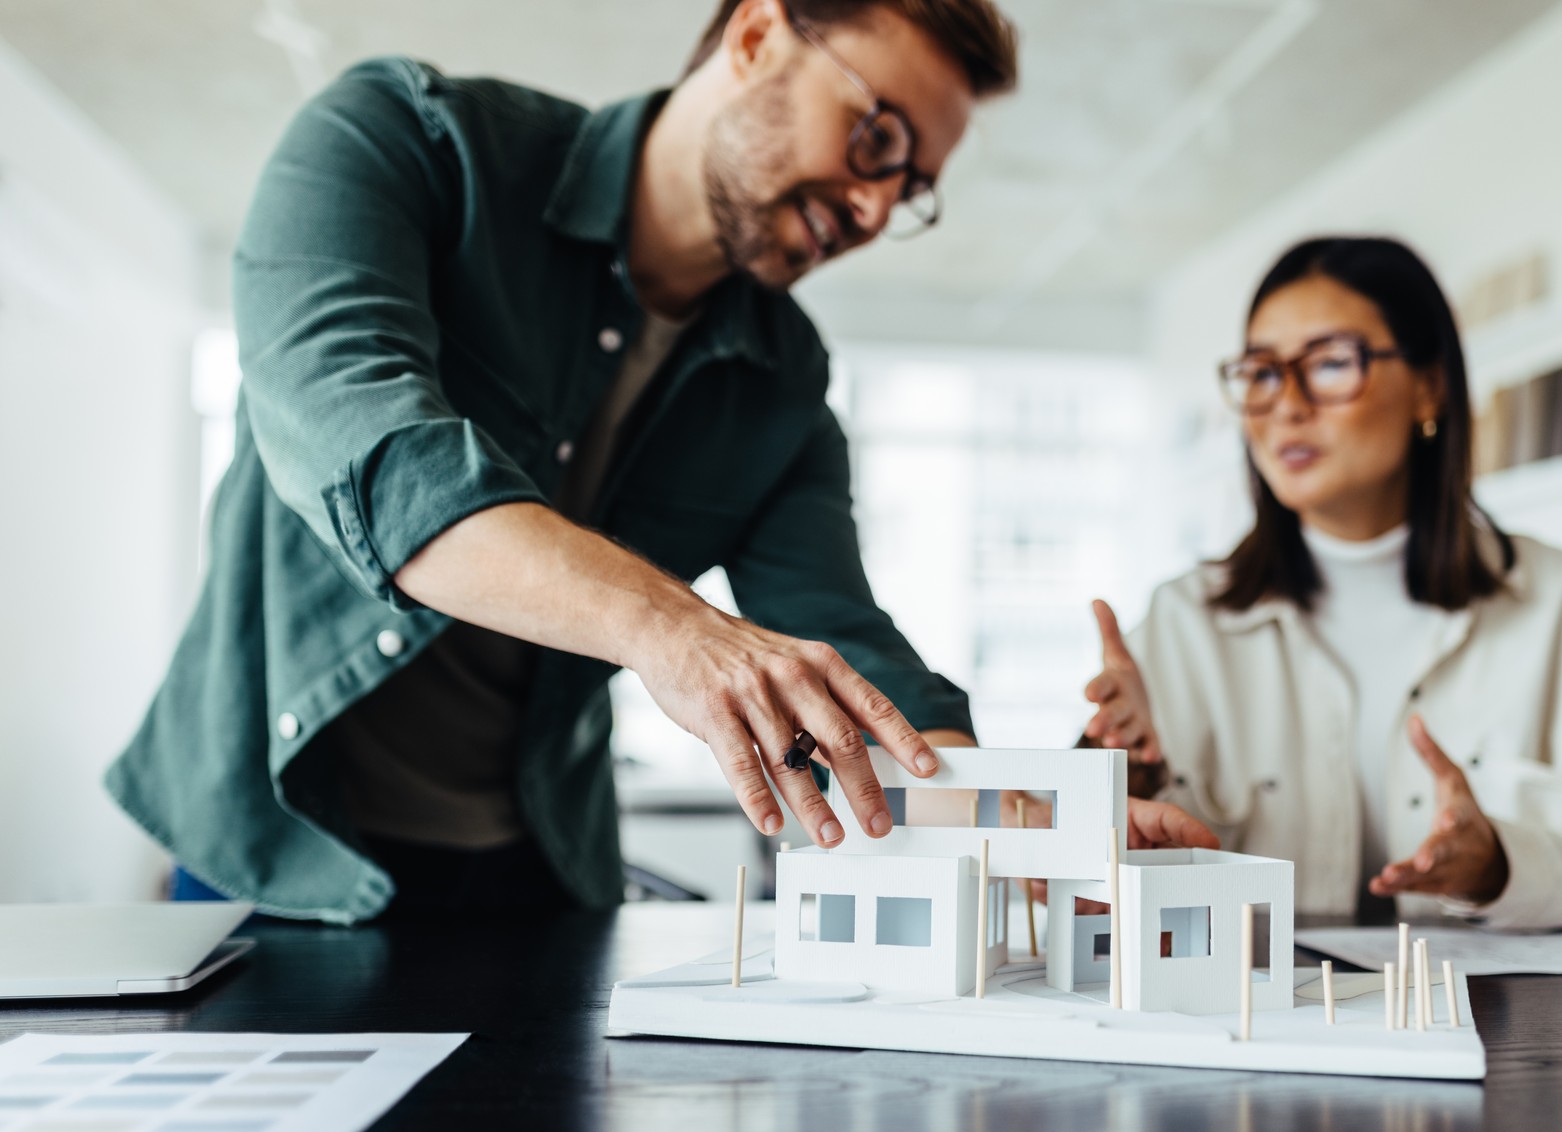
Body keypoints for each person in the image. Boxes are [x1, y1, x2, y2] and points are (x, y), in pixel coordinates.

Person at [109, 0, 1210, 922]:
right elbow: (372, 454)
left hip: (530, 879)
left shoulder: (782, 384)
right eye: (875, 137)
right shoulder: (406, 143)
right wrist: (678, 632)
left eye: (911, 184)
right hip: (270, 848)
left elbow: (844, 644)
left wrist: (1027, 823)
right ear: (756, 37)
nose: (877, 205)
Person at [1082, 237, 1562, 929]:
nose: (1286, 402)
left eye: (1329, 363)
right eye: (1261, 371)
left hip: (1494, 1025)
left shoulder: (1560, 603)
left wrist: (1501, 864)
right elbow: (1079, 884)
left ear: (1429, 385)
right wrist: (1116, 773)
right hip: (1257, 1022)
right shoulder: (1183, 621)